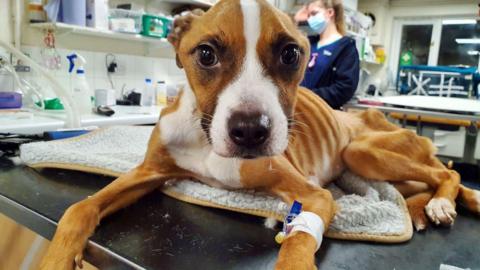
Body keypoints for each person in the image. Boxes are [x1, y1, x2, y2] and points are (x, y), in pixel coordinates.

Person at [295, 0, 359, 109]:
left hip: (323, 113)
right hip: (299, 109)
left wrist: (307, 97)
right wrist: (295, 21)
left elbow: (344, 88)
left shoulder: (346, 47)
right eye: (309, 15)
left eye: (314, 14)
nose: (310, 19)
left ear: (330, 12)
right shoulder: (308, 43)